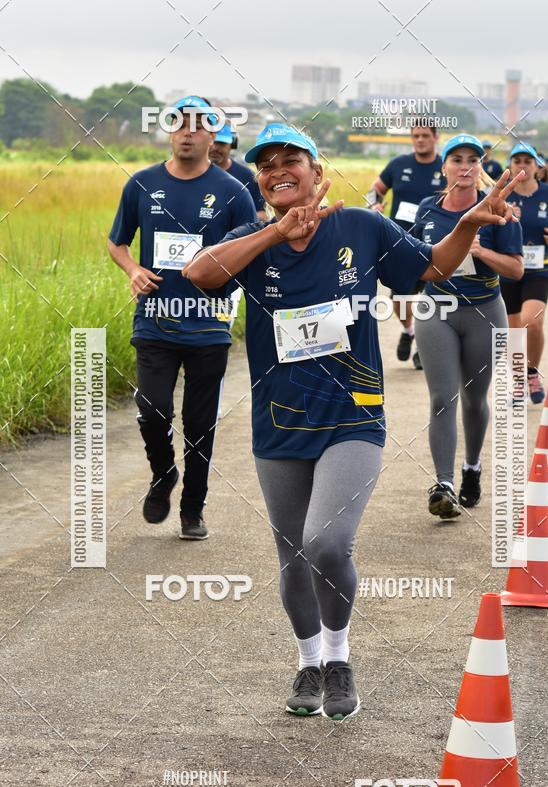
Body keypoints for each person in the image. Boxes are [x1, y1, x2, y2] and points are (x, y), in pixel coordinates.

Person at [184, 122, 523, 719]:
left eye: (294, 159)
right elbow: (200, 275)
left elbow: (432, 270)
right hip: (279, 422)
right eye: (267, 165)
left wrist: (467, 226)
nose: (279, 170)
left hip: (354, 416)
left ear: (318, 172)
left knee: (326, 541)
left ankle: (339, 654)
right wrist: (271, 234)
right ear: (260, 180)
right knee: (291, 553)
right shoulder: (251, 236)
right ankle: (308, 661)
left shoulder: (361, 227)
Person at [108, 95, 256, 539]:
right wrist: (133, 269)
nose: (188, 132)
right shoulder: (141, 183)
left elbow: (247, 253)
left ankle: (193, 508)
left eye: (199, 125)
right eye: (180, 123)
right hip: (154, 318)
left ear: (214, 134)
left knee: (199, 423)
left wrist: (220, 283)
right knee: (151, 408)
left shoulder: (234, 193)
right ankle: (162, 474)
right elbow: (118, 242)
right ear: (169, 130)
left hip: (209, 324)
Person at [412, 134, 524, 519]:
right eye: (456, 159)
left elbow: (516, 268)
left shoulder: (497, 209)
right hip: (436, 309)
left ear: (481, 169)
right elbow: (410, 258)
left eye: (472, 159)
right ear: (443, 167)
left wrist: (480, 250)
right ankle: (443, 484)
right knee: (442, 397)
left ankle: (471, 468)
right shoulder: (427, 209)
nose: (464, 166)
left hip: (483, 311)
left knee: (475, 399)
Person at [368, 121, 446, 368]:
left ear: (435, 137)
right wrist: (374, 204)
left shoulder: (446, 166)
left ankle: (424, 344)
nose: (420, 140)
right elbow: (375, 190)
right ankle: (410, 331)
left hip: (436, 242)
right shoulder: (398, 165)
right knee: (399, 299)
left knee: (432, 299)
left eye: (425, 135)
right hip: (399, 241)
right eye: (416, 136)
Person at [500, 142, 548, 404]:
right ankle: (519, 382)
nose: (522, 166)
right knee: (513, 331)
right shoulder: (503, 194)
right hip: (508, 269)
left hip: (540, 268)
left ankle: (532, 372)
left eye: (528, 161)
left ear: (537, 167)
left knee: (533, 322)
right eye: (517, 161)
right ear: (510, 166)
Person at [209, 122, 268, 221]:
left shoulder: (247, 176)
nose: (215, 148)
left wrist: (232, 217)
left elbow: (262, 215)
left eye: (221, 143)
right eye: (212, 142)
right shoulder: (193, 173)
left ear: (232, 144)